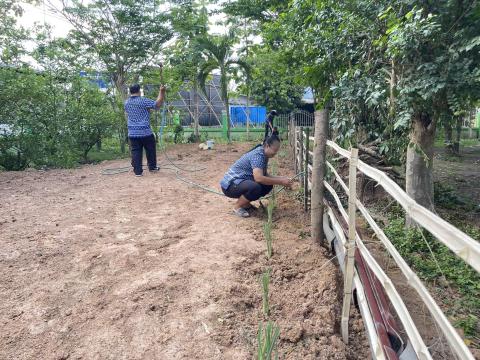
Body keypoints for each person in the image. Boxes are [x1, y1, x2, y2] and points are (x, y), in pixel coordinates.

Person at [220, 135, 293, 218]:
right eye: (274, 150)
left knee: (267, 185)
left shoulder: (264, 154)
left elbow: (264, 175)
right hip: (230, 185)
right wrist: (281, 182)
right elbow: (259, 178)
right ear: (267, 146)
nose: (275, 153)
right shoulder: (258, 155)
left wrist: (282, 179)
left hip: (240, 183)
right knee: (255, 187)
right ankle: (237, 207)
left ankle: (245, 204)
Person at [124, 83, 166, 177]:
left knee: (136, 151)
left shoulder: (126, 102)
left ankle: (138, 172)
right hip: (145, 131)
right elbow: (157, 105)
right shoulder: (143, 101)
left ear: (130, 92)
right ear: (139, 91)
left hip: (132, 132)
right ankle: (152, 167)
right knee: (150, 149)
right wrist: (161, 92)